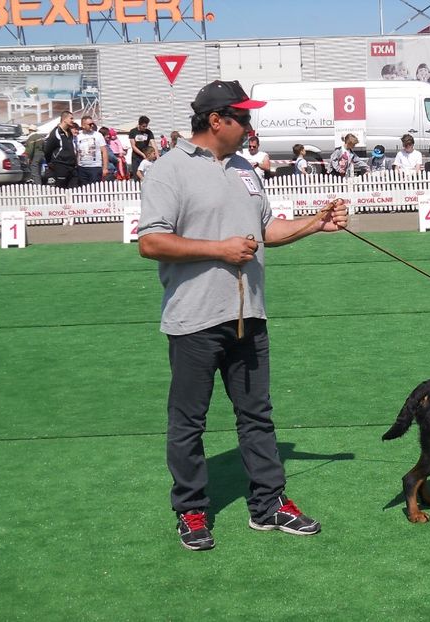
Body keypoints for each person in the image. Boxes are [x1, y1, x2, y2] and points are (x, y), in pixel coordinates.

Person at [138, 79, 348, 551]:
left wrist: (317, 223)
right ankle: (191, 510)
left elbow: (267, 229)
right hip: (194, 320)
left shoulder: (245, 170)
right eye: (243, 117)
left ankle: (269, 504)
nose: (250, 125)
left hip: (249, 317)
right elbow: (150, 241)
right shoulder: (168, 170)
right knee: (188, 422)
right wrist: (219, 249)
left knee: (257, 416)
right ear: (217, 120)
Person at [43, 111, 78, 188]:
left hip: (72, 166)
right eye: (71, 118)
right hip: (60, 165)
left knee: (74, 189)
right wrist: (50, 162)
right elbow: (47, 150)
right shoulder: (55, 132)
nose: (73, 120)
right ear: (64, 119)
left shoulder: (69, 132)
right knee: (61, 189)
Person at [76, 114, 108, 186]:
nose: (92, 126)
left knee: (94, 189)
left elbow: (104, 151)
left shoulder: (98, 135)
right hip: (82, 167)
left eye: (93, 124)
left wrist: (105, 168)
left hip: (95, 167)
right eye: (90, 124)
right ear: (83, 125)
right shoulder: (78, 136)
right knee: (83, 189)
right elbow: (77, 152)